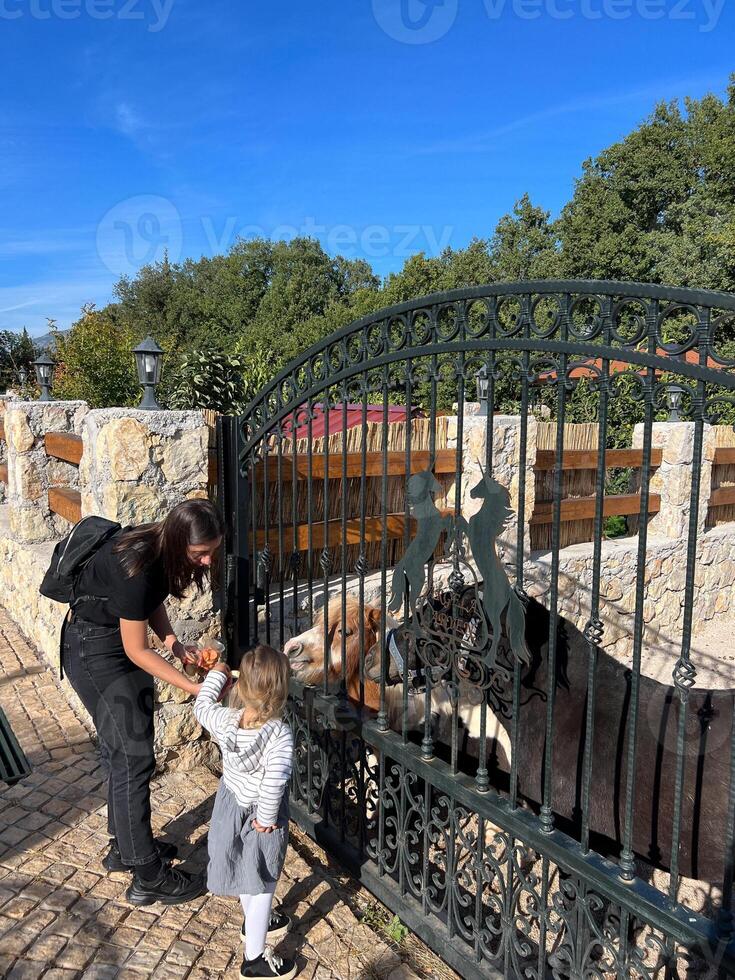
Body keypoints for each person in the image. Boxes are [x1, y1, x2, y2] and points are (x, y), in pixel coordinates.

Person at [60, 498, 224, 907]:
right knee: (132, 758)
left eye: (211, 553)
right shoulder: (138, 565)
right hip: (95, 652)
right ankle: (147, 876)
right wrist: (197, 688)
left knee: (125, 753)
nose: (206, 562)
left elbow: (151, 604)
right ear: (179, 541)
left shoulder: (159, 546)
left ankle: (126, 849)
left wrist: (176, 646)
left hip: (108, 643)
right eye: (200, 554)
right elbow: (137, 650)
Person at [193, 646, 296, 980]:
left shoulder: (225, 720)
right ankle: (254, 959)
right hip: (259, 816)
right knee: (263, 879)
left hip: (230, 802)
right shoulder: (278, 733)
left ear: (240, 686)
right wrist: (266, 819)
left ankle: (257, 922)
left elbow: (201, 706)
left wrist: (217, 673)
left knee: (242, 865)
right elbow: (273, 782)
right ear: (281, 691)